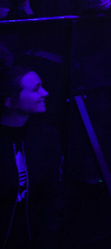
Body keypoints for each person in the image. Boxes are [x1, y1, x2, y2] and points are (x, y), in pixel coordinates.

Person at [0, 53, 65, 248]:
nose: (45, 93)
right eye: (36, 89)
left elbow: (53, 194)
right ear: (10, 102)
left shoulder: (47, 137)